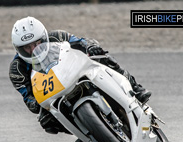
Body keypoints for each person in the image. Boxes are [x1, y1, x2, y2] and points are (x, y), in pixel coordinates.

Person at [9, 16, 151, 134]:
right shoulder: (16, 70)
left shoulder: (57, 36)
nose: (33, 50)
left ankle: (135, 87)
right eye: (27, 48)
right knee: (47, 123)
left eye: (37, 43)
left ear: (44, 37)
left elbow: (82, 42)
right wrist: (36, 105)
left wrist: (90, 47)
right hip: (54, 94)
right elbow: (28, 99)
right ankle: (89, 132)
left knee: (101, 55)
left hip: (75, 72)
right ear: (18, 49)